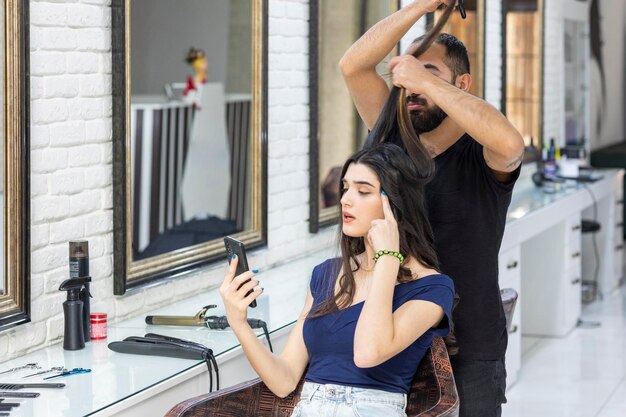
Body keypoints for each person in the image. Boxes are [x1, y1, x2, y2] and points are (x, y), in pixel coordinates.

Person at [338, 1, 525, 416]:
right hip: (391, 329)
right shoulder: (393, 133)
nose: (413, 86)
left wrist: (423, 80)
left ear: (462, 82)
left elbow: (512, 145)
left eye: (431, 72)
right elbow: (353, 66)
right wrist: (420, 6)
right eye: (408, 73)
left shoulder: (483, 149)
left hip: (470, 341)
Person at [220, 143, 455, 417]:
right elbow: (284, 382)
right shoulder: (325, 274)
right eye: (345, 188)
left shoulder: (432, 287)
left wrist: (387, 260)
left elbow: (368, 353)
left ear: (396, 204)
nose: (345, 199)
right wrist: (239, 323)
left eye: (363, 191)